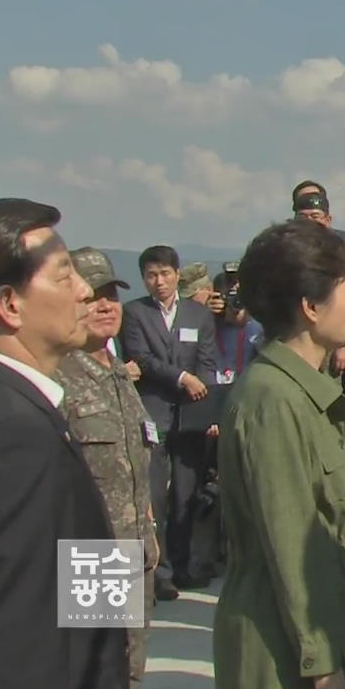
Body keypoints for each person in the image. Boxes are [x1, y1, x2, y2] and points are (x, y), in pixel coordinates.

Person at [0, 198, 129, 689]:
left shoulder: (24, 403)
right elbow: (17, 638)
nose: (85, 293)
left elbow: (85, 557)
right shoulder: (11, 431)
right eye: (64, 277)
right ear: (10, 304)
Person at [213, 218, 345, 689]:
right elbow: (290, 544)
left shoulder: (307, 389)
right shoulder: (273, 401)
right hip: (286, 652)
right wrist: (324, 666)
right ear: (310, 307)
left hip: (327, 624)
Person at [56, 246, 159, 689]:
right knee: (98, 675)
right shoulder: (60, 377)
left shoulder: (117, 372)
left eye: (111, 296)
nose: (104, 306)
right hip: (95, 554)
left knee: (129, 671)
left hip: (137, 551)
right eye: (91, 297)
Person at [122, 245, 218, 598]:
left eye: (164, 273)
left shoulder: (198, 314)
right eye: (151, 275)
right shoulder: (134, 313)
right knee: (154, 498)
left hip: (191, 415)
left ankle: (182, 565)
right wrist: (181, 378)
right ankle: (157, 572)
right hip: (153, 412)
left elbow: (207, 360)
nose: (158, 281)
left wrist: (207, 404)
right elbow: (141, 358)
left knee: (186, 494)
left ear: (177, 274)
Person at [293, 181, 345, 494]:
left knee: (344, 411)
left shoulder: (343, 255)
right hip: (302, 346)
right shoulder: (291, 254)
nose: (311, 223)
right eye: (304, 218)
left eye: (316, 217)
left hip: (336, 345)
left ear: (328, 220)